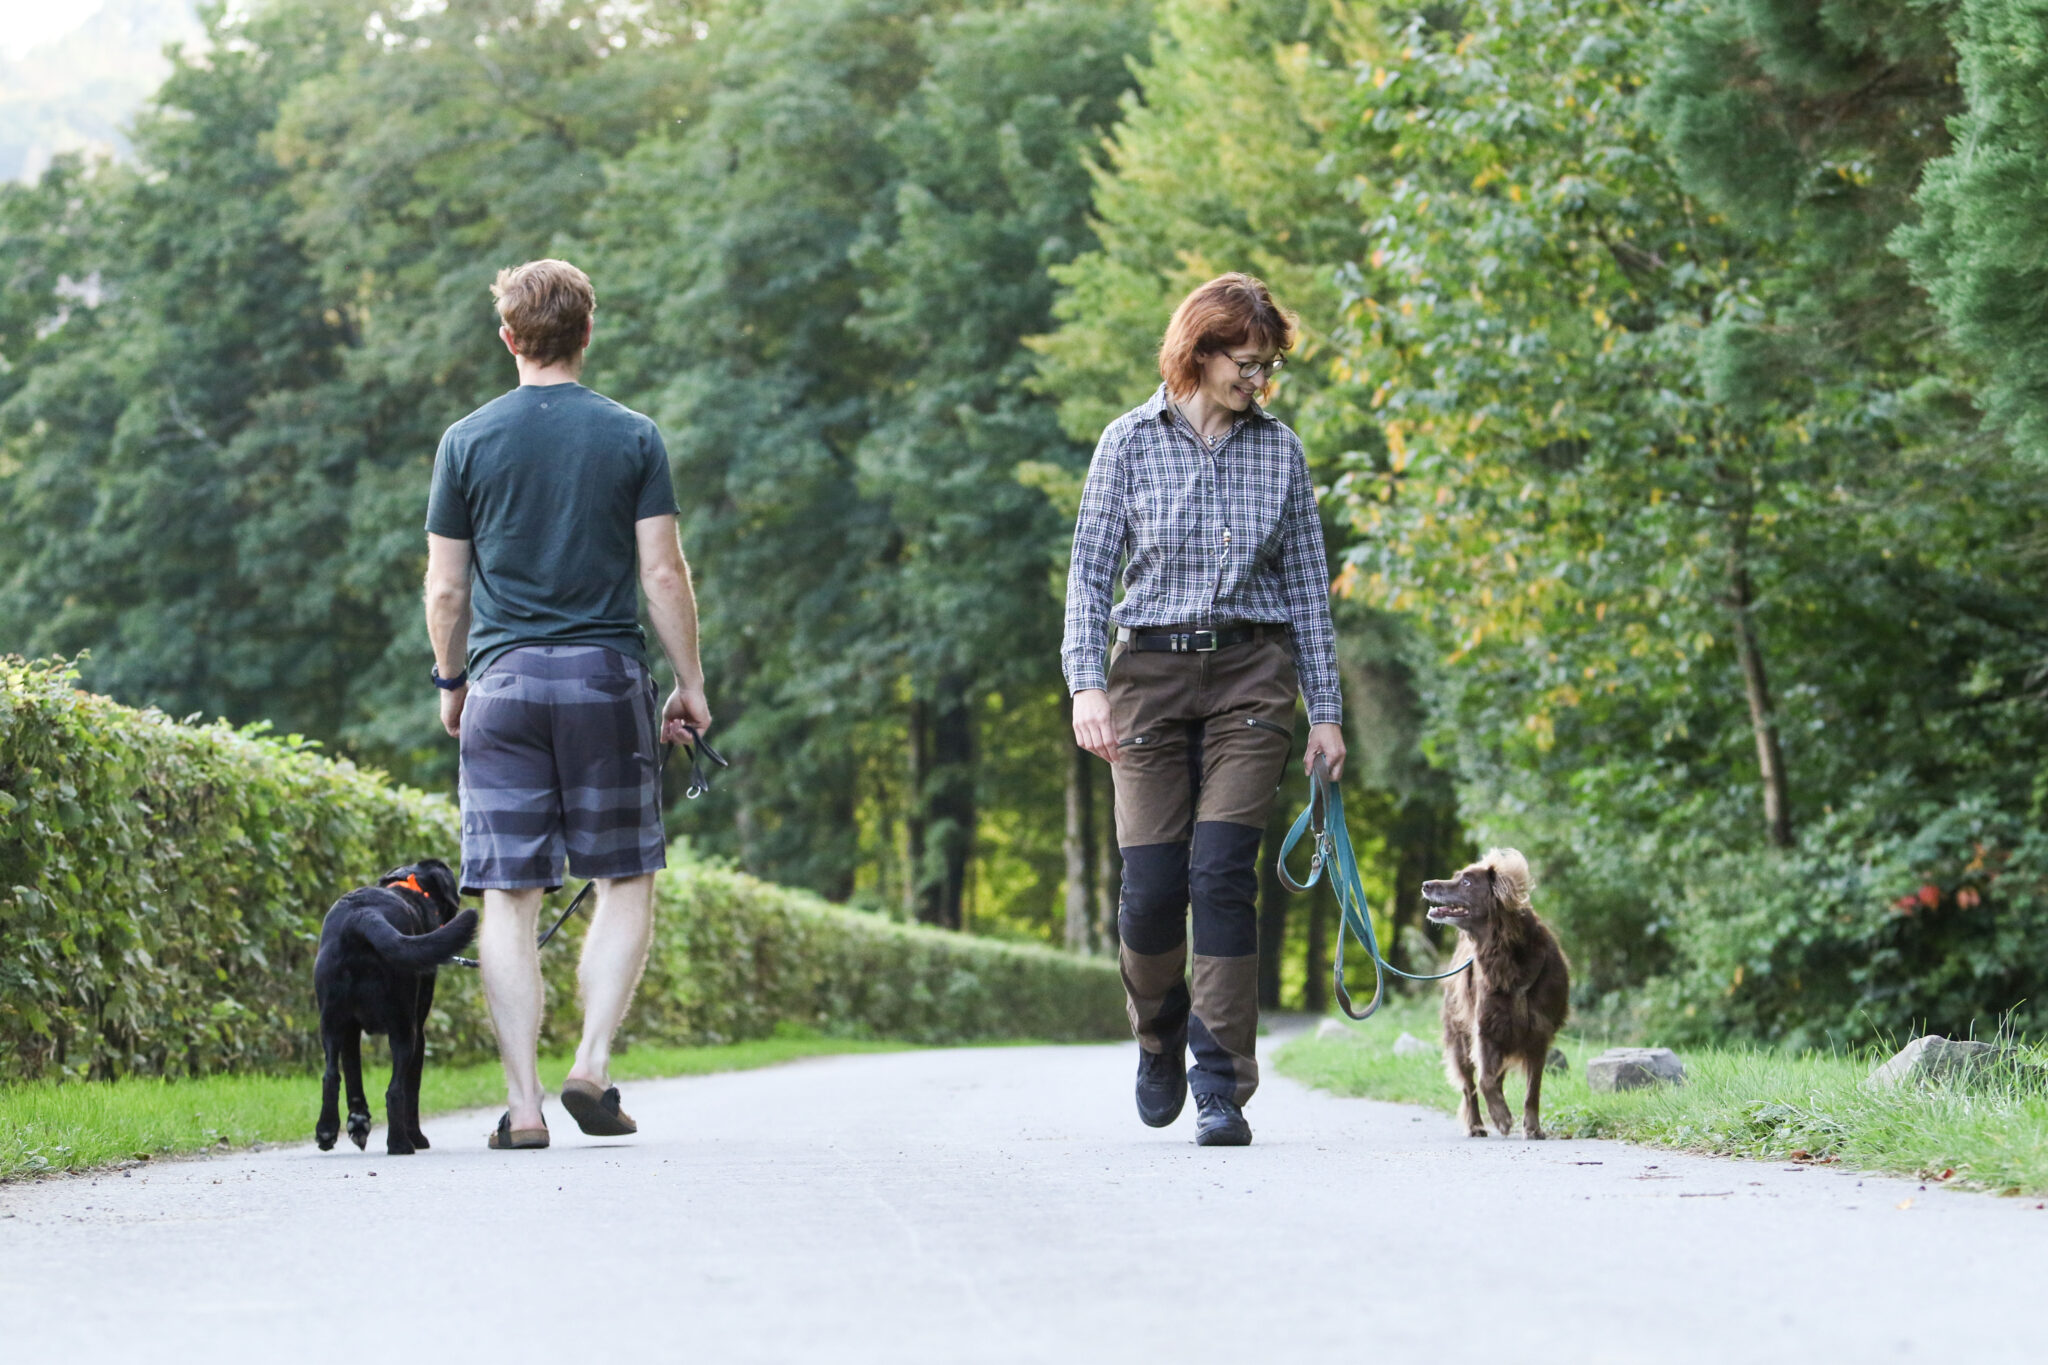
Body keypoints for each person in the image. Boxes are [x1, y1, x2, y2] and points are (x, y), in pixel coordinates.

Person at [423, 258, 710, 1151]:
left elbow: (444, 590)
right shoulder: (633, 436)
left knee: (508, 892)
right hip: (604, 681)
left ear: (509, 336)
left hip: (502, 689)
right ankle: (590, 1060)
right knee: (625, 875)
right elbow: (662, 572)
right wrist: (690, 684)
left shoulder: (465, 441)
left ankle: (523, 1107)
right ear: (588, 332)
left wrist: (450, 683)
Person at [1062, 273, 1344, 1147]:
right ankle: (1158, 1032)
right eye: (1246, 363)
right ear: (1199, 351)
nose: (1258, 381)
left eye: (1267, 367)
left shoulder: (1281, 451)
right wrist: (1086, 683)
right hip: (1146, 673)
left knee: (1222, 872)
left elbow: (1306, 588)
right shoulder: (1126, 444)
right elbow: (1089, 572)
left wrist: (1325, 710)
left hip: (1252, 677)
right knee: (1150, 890)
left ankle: (1221, 1081)